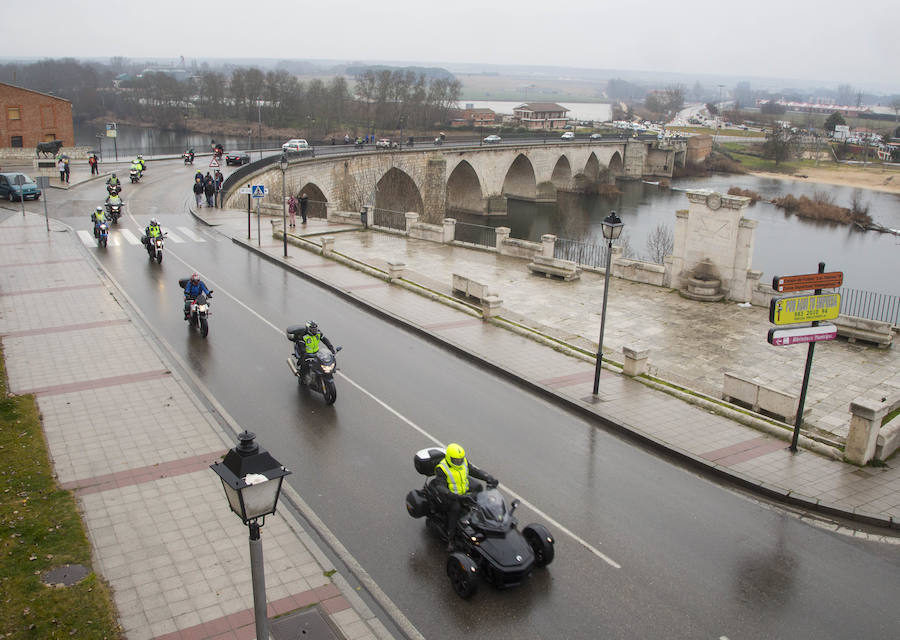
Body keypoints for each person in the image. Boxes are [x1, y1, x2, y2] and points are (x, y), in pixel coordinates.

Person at [432, 443, 497, 550]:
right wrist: (456, 496)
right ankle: (450, 538)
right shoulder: (441, 468)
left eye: (460, 459)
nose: (459, 462)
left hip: (462, 491)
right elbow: (440, 487)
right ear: (449, 458)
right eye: (456, 460)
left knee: (479, 492)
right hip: (449, 496)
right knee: (456, 508)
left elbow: (475, 471)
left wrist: (488, 477)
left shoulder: (463, 462)